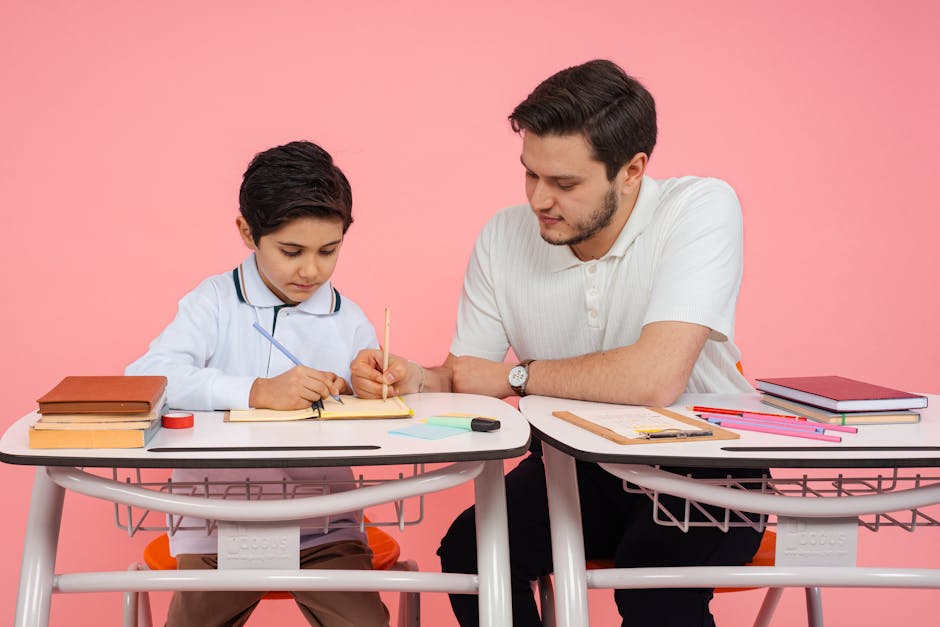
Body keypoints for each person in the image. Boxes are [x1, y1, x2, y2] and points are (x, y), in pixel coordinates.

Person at [350, 59, 767, 626]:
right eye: (530, 175)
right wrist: (416, 378)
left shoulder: (698, 208)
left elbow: (654, 378)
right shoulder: (503, 237)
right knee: (472, 553)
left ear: (632, 170)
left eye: (565, 184)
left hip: (704, 468)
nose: (539, 200)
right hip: (578, 468)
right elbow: (468, 374)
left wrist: (518, 378)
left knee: (653, 586)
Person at [126, 140, 389, 627]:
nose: (311, 270)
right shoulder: (213, 303)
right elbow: (146, 377)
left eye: (329, 251)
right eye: (292, 251)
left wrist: (369, 388)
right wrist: (257, 392)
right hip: (216, 528)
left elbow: (367, 414)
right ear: (248, 232)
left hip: (326, 526)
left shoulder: (349, 319)